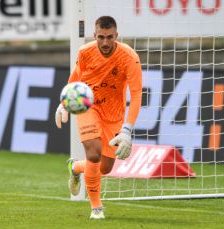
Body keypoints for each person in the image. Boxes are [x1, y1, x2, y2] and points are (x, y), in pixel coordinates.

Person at [55, 16, 142, 219]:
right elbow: (76, 77)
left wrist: (127, 129)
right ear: (94, 36)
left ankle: (75, 167)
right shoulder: (85, 52)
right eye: (100, 37)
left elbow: (136, 94)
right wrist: (64, 103)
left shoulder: (129, 57)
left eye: (109, 37)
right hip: (88, 106)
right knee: (93, 153)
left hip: (114, 114)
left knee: (105, 167)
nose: (104, 42)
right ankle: (96, 208)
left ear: (116, 36)